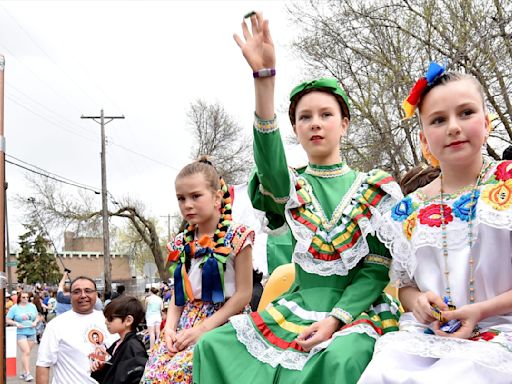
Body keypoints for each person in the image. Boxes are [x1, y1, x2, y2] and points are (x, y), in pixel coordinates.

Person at [192, 12, 402, 384]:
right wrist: (264, 80)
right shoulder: (291, 187)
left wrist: (336, 319)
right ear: (295, 128)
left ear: (345, 124)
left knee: (338, 358)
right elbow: (270, 168)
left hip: (357, 309)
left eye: (326, 114)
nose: (315, 123)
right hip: (298, 305)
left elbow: (375, 267)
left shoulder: (375, 187)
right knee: (212, 346)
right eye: (305, 117)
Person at [359, 63, 512, 383]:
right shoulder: (407, 210)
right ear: (424, 138)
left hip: (501, 329)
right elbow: (406, 286)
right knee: (383, 372)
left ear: (487, 123)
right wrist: (419, 303)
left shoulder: (507, 185)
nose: (453, 127)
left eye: (466, 113)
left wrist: (480, 312)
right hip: (430, 336)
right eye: (439, 120)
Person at [140, 158, 254, 383]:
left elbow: (243, 294)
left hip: (225, 320)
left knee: (180, 373)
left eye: (195, 196)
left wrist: (203, 328)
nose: (187, 205)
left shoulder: (238, 236)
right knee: (152, 373)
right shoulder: (182, 242)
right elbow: (179, 295)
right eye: (181, 199)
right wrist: (169, 329)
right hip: (187, 321)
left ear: (217, 197)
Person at [36, 276, 116, 384]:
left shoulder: (109, 320)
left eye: (88, 291)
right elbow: (43, 364)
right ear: (70, 296)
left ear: (96, 295)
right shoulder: (56, 325)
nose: (83, 295)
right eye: (77, 292)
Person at [91, 295, 148, 384]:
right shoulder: (120, 343)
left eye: (110, 318)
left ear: (128, 320)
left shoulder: (133, 346)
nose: (106, 322)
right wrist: (102, 367)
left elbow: (136, 376)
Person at [6, 291, 39, 382]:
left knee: (26, 354)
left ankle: (23, 372)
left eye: (27, 297)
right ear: (19, 298)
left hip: (31, 331)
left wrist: (35, 322)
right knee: (26, 351)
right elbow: (7, 319)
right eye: (23, 297)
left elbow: (37, 317)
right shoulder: (14, 308)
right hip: (20, 332)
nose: (25, 299)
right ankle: (27, 373)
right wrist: (16, 323)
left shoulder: (32, 306)